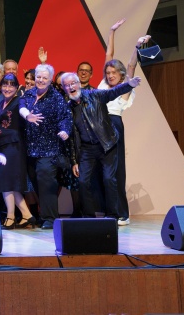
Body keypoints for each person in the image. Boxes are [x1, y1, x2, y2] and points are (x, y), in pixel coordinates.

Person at [61, 71, 142, 224]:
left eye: (73, 83)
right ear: (64, 88)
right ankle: (89, 218)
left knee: (109, 179)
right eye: (67, 85)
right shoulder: (68, 108)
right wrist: (74, 161)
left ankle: (112, 216)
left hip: (106, 145)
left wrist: (129, 85)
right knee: (83, 182)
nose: (71, 87)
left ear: (79, 84)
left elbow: (113, 92)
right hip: (86, 149)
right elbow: (72, 138)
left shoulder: (94, 95)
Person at [101, 19, 150, 225]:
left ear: (121, 75)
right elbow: (108, 56)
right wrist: (112, 31)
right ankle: (108, 211)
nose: (110, 75)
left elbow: (131, 65)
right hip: (98, 126)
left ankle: (122, 213)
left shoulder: (126, 86)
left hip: (113, 125)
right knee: (103, 174)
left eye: (114, 73)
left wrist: (137, 47)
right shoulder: (104, 84)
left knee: (115, 173)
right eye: (108, 72)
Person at [19, 64, 72, 229]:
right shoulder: (28, 94)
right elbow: (21, 106)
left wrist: (65, 130)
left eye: (44, 78)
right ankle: (45, 214)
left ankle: (50, 218)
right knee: (35, 182)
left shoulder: (56, 97)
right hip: (30, 148)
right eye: (39, 77)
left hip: (49, 149)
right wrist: (28, 115)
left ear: (50, 80)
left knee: (46, 182)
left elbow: (65, 117)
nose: (41, 80)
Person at [0, 74, 35, 228]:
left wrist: (28, 116)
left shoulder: (19, 100)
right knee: (9, 183)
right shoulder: (0, 104)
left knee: (6, 182)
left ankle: (10, 217)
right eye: (5, 84)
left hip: (14, 146)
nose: (7, 88)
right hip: (3, 146)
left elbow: (24, 110)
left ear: (17, 88)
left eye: (11, 85)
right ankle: (27, 215)